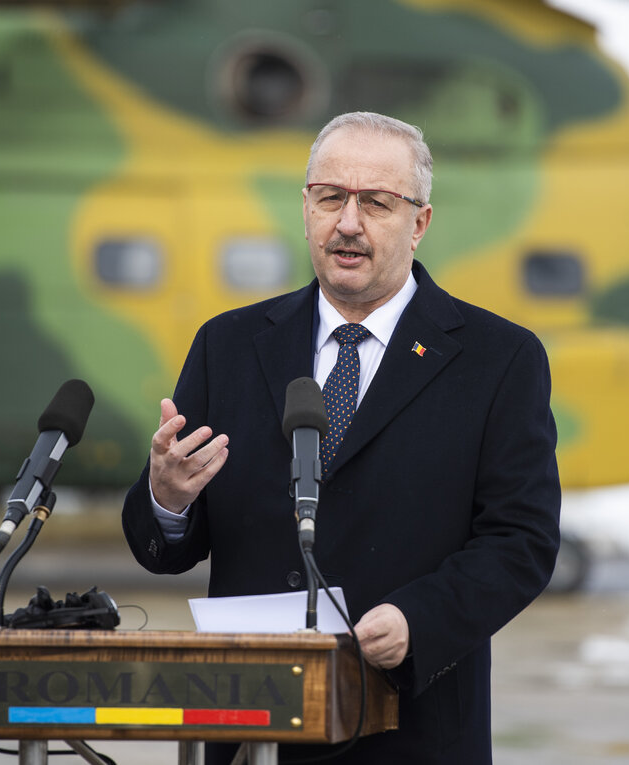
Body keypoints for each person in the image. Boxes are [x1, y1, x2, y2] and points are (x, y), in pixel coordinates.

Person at [122, 111, 560, 763]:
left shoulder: (497, 360)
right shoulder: (230, 346)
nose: (348, 223)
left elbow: (521, 540)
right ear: (305, 209)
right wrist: (168, 498)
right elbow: (162, 547)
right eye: (331, 197)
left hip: (412, 727)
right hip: (253, 732)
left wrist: (419, 619)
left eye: (376, 203)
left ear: (420, 223)